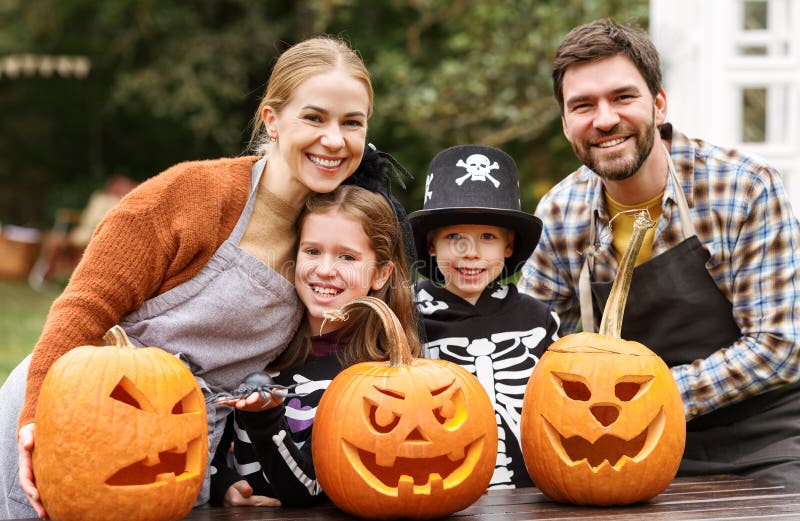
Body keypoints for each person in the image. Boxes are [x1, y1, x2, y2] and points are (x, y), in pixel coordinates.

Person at [0, 35, 379, 520]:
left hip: (181, 455)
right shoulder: (191, 195)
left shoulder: (328, 235)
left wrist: (228, 477)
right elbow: (82, 308)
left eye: (352, 123)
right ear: (272, 119)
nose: (334, 139)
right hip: (80, 428)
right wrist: (34, 417)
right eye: (314, 117)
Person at [519, 18, 800, 485]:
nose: (604, 119)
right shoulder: (559, 215)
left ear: (659, 104)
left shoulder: (744, 187)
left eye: (623, 97)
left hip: (764, 443)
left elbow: (777, 346)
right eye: (583, 105)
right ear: (566, 123)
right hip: (618, 446)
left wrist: (648, 398)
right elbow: (538, 349)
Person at [209, 183, 420, 507]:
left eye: (347, 256)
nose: (324, 270)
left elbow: (312, 489)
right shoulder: (256, 346)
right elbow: (211, 436)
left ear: (380, 274)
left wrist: (265, 420)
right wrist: (223, 481)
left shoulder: (378, 379)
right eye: (312, 251)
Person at [408, 144, 560, 489]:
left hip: (533, 498)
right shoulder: (407, 317)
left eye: (488, 237)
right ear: (432, 245)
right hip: (438, 492)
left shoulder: (538, 320)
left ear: (509, 247)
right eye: (454, 237)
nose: (471, 253)